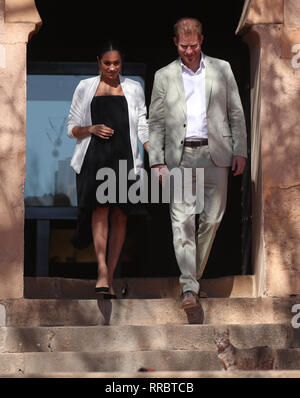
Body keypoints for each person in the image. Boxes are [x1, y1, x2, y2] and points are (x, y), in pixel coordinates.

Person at [149, 18, 247, 309]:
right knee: (182, 223)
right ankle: (189, 287)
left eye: (193, 46)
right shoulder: (164, 75)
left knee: (213, 220)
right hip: (179, 157)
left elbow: (236, 112)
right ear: (175, 43)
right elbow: (154, 121)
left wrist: (240, 150)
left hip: (215, 154)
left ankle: (193, 275)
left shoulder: (222, 68)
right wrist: (157, 162)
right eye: (183, 46)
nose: (189, 51)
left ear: (202, 41)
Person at [67, 41, 149, 298]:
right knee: (100, 209)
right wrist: (90, 129)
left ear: (122, 62)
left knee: (121, 214)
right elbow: (72, 128)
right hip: (94, 157)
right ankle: (101, 269)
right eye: (107, 63)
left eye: (116, 63)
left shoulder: (134, 88)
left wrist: (154, 155)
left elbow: (142, 126)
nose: (112, 68)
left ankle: (110, 275)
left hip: (125, 157)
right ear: (98, 62)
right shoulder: (85, 87)